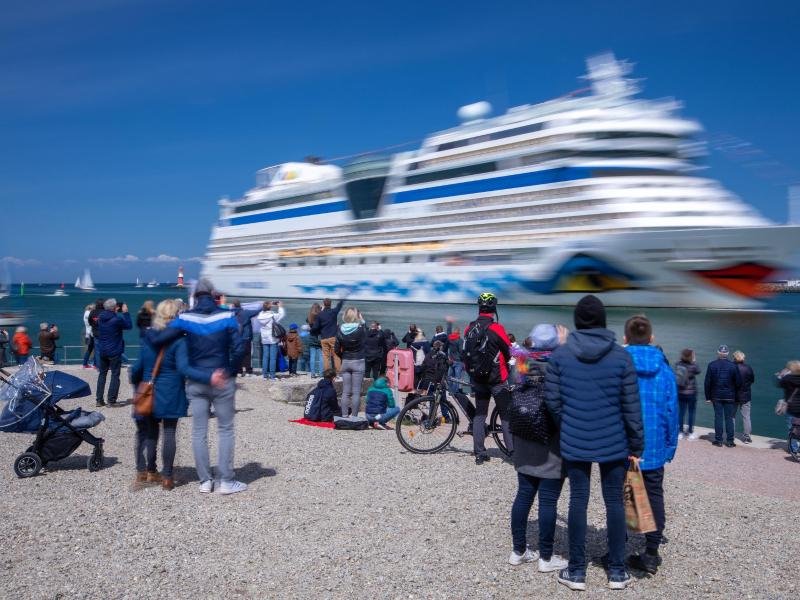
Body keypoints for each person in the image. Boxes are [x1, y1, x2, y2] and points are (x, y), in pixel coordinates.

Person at [544, 294, 643, 591]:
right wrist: (636, 444)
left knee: (578, 500)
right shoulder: (621, 356)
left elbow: (552, 401)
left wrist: (568, 423)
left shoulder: (560, 356)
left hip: (575, 438)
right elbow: (631, 406)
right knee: (615, 501)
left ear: (577, 321)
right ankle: (617, 571)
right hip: (614, 439)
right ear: (603, 321)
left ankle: (576, 571)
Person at [163, 278, 246, 494]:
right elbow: (239, 348)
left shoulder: (185, 318)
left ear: (194, 296)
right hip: (221, 378)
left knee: (199, 431)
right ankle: (226, 481)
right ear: (213, 294)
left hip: (196, 379)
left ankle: (205, 481)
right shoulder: (227, 316)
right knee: (225, 429)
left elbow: (164, 338)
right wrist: (229, 371)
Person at [509, 323, 568, 573]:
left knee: (523, 494)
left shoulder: (521, 364)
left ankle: (518, 551)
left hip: (524, 436)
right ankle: (545, 557)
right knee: (548, 500)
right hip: (550, 440)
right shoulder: (559, 367)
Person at [623, 315, 678, 575]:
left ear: (625, 338)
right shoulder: (665, 370)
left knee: (622, 495)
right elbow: (672, 411)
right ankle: (652, 552)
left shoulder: (619, 366)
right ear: (652, 338)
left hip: (623, 444)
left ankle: (617, 547)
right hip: (654, 445)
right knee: (654, 494)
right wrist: (670, 447)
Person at [130, 299, 190, 490]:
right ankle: (167, 477)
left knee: (150, 431)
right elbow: (183, 368)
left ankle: (149, 470)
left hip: (151, 390)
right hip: (171, 390)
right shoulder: (180, 340)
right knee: (170, 432)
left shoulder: (148, 337)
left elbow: (137, 368)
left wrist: (138, 383)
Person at [463, 292, 514, 464]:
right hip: (497, 379)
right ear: (494, 309)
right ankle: (512, 452)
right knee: (505, 415)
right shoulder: (496, 328)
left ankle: (479, 453)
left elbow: (466, 354)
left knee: (480, 415)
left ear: (479, 308)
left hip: (478, 379)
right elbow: (509, 351)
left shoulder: (469, 328)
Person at [704, 344, 742, 448]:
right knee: (729, 418)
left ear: (718, 353)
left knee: (718, 417)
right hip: (730, 396)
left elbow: (707, 382)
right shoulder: (733, 366)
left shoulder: (712, 365)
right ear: (727, 353)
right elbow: (738, 382)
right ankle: (730, 441)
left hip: (716, 396)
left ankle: (718, 440)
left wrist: (708, 397)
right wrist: (735, 394)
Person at [95, 299, 132, 407]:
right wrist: (125, 312)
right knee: (115, 375)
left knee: (102, 374)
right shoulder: (117, 319)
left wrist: (115, 311)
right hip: (114, 350)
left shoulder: (101, 318)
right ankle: (111, 401)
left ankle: (99, 400)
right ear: (114, 308)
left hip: (103, 350)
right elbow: (129, 326)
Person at [335, 307, 366, 417]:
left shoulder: (340, 329)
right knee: (356, 392)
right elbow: (366, 332)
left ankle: (344, 416)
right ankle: (354, 417)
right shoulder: (360, 329)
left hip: (346, 361)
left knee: (346, 392)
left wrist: (343, 356)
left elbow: (336, 349)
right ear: (356, 316)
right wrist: (362, 320)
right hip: (358, 361)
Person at [675, 348, 702, 440]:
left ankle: (680, 432)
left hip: (680, 392)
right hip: (691, 393)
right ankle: (690, 432)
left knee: (681, 412)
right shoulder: (693, 366)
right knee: (691, 412)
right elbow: (698, 371)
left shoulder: (678, 364)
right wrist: (694, 361)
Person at [312, 297, 344, 373]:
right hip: (333, 337)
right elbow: (339, 306)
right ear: (330, 304)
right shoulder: (333, 312)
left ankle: (327, 372)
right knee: (336, 355)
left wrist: (312, 331)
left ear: (323, 304)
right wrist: (342, 299)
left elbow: (315, 327)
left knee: (325, 356)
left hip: (323, 338)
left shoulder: (320, 315)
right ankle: (338, 372)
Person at [230, 299, 261, 377]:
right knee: (247, 354)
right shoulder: (246, 312)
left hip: (236, 337)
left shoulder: (231, 313)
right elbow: (257, 312)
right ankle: (248, 371)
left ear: (233, 306)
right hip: (246, 337)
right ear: (240, 305)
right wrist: (263, 306)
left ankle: (239, 371)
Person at [257, 300, 285, 380]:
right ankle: (272, 375)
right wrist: (280, 307)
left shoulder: (260, 316)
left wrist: (269, 305)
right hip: (272, 338)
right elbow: (281, 314)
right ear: (270, 307)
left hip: (264, 338)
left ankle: (265, 375)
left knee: (265, 357)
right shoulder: (272, 316)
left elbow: (264, 310)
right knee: (273, 358)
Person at [777, 361, 800, 452]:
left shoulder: (787, 379)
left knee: (792, 428)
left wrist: (781, 375)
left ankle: (794, 448)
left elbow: (779, 383)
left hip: (792, 408)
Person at [733, 350, 755, 444]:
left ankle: (731, 435)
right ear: (743, 358)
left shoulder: (731, 367)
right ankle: (747, 437)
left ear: (734, 358)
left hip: (733, 396)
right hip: (745, 395)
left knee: (731, 416)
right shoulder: (748, 368)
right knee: (746, 417)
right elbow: (752, 380)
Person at [446, 318, 464, 394]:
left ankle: (449, 390)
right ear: (459, 332)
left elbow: (448, 332)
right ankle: (454, 391)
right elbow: (461, 351)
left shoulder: (450, 339)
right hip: (458, 361)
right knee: (457, 378)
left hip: (451, 360)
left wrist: (449, 323)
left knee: (450, 376)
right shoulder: (460, 340)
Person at [306, 303, 323, 377]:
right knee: (321, 357)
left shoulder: (309, 316)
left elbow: (307, 322)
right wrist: (322, 310)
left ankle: (312, 373)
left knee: (312, 356)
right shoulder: (321, 316)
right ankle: (321, 372)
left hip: (312, 336)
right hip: (320, 336)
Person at [81, 304, 96, 369]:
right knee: (96, 349)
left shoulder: (85, 314)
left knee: (89, 349)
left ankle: (85, 363)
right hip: (92, 334)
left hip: (87, 334)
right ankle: (95, 364)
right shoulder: (90, 314)